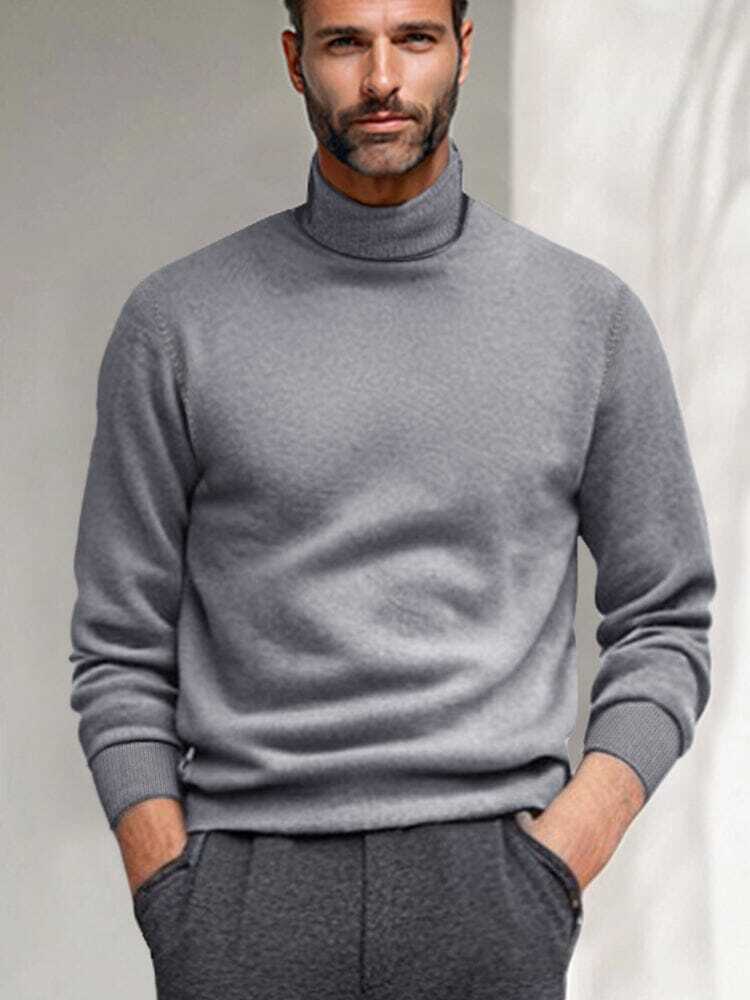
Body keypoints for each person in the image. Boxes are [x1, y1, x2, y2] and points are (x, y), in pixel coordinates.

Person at [68, 2, 717, 998]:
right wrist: (170, 886)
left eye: (414, 38)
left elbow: (665, 619)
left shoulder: (588, 319)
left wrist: (559, 859)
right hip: (244, 894)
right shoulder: (178, 326)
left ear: (463, 48)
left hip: (489, 890)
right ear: (296, 60)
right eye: (345, 43)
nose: (381, 79)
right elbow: (119, 642)